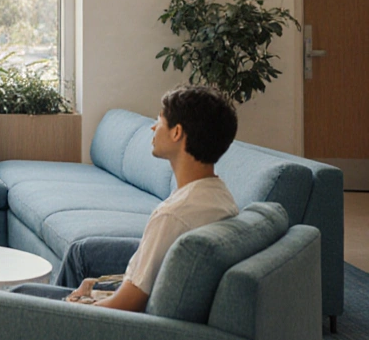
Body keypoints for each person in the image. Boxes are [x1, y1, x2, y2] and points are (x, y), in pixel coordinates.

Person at [12, 85, 241, 311]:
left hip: (117, 323)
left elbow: (128, 303)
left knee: (20, 296)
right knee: (80, 253)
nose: (153, 127)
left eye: (159, 119)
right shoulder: (220, 196)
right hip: (135, 302)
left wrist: (82, 306)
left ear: (176, 132)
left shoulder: (172, 217)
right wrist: (99, 285)